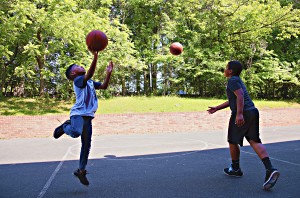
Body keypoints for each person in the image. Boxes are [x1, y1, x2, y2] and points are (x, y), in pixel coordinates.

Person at [207, 60, 279, 190]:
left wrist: (239, 114)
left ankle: (235, 168)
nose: (224, 69)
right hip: (252, 111)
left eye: (226, 68)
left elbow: (240, 97)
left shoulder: (232, 80)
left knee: (232, 140)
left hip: (243, 113)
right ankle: (270, 169)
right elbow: (233, 99)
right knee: (254, 140)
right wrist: (217, 108)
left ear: (230, 71)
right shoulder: (237, 80)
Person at [53, 51, 113, 186]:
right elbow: (90, 74)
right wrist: (96, 56)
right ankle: (65, 127)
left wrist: (108, 73)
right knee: (75, 132)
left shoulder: (90, 82)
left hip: (88, 117)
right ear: (73, 73)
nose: (80, 66)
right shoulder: (78, 80)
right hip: (78, 114)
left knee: (86, 145)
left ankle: (81, 170)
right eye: (77, 66)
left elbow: (104, 86)